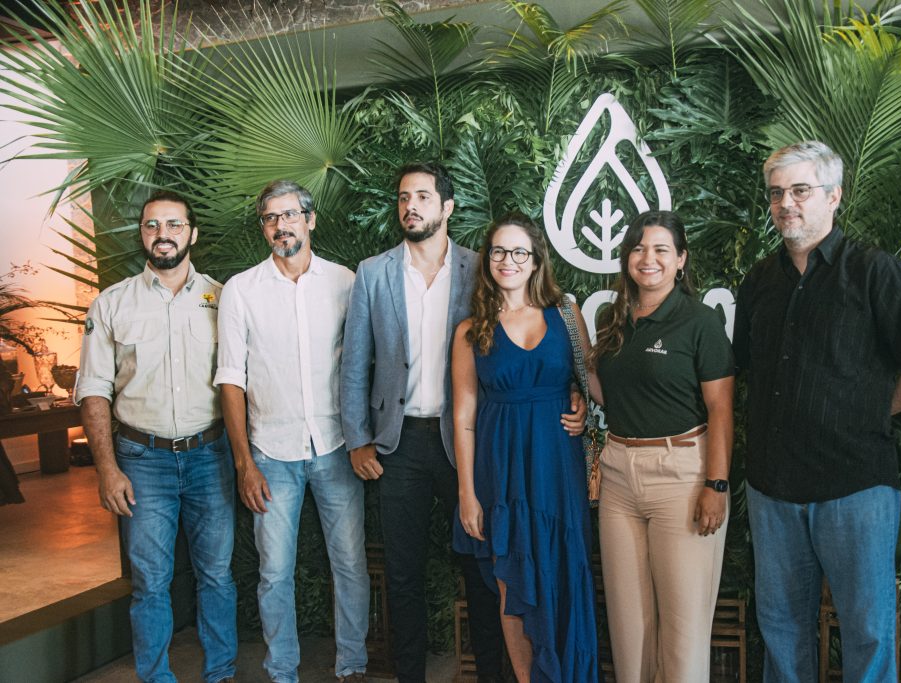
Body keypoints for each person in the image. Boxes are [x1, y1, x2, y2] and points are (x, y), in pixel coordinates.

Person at [341, 162, 585, 682]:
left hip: (468, 444)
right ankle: (410, 676)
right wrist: (358, 438)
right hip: (399, 441)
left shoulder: (482, 267)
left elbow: (540, 352)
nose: (412, 205)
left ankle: (497, 676)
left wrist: (574, 395)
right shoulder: (373, 272)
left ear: (447, 207)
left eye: (424, 196)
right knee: (403, 572)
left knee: (485, 569)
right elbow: (354, 361)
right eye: (404, 197)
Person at [734, 140, 901, 681]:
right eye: (777, 193)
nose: (787, 203)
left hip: (855, 486)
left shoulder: (878, 272)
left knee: (868, 631)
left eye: (801, 190)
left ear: (834, 196)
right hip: (773, 487)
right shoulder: (759, 282)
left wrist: (863, 415)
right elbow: (746, 372)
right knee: (781, 629)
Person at [77, 190, 237, 683]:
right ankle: (156, 678)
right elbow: (93, 392)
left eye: (173, 225)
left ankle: (222, 674)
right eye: (151, 225)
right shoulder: (111, 304)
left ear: (192, 233)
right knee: (149, 582)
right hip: (141, 460)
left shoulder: (224, 299)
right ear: (142, 233)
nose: (162, 234)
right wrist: (106, 468)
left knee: (217, 577)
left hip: (211, 455)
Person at [215, 180, 369, 683]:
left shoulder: (346, 282)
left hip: (337, 447)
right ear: (263, 227)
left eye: (289, 215)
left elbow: (365, 366)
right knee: (274, 572)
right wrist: (245, 465)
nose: (280, 225)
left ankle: (352, 665)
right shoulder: (241, 290)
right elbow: (231, 381)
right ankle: (282, 671)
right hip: (271, 452)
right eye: (269, 218)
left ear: (310, 219)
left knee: (349, 564)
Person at [451, 214, 600, 682]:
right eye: (498, 251)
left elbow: (591, 384)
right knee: (511, 584)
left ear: (536, 261)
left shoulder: (567, 316)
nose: (507, 261)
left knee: (565, 573)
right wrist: (467, 494)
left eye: (519, 252)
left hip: (557, 466)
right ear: (487, 260)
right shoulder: (471, 331)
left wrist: (579, 401)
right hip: (502, 468)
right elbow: (464, 418)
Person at [591, 209, 734, 682]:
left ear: (681, 261)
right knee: (630, 629)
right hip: (618, 476)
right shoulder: (615, 319)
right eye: (637, 248)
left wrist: (716, 483)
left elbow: (721, 410)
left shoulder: (699, 321)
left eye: (660, 250)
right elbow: (611, 394)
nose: (647, 258)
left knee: (682, 630)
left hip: (682, 476)